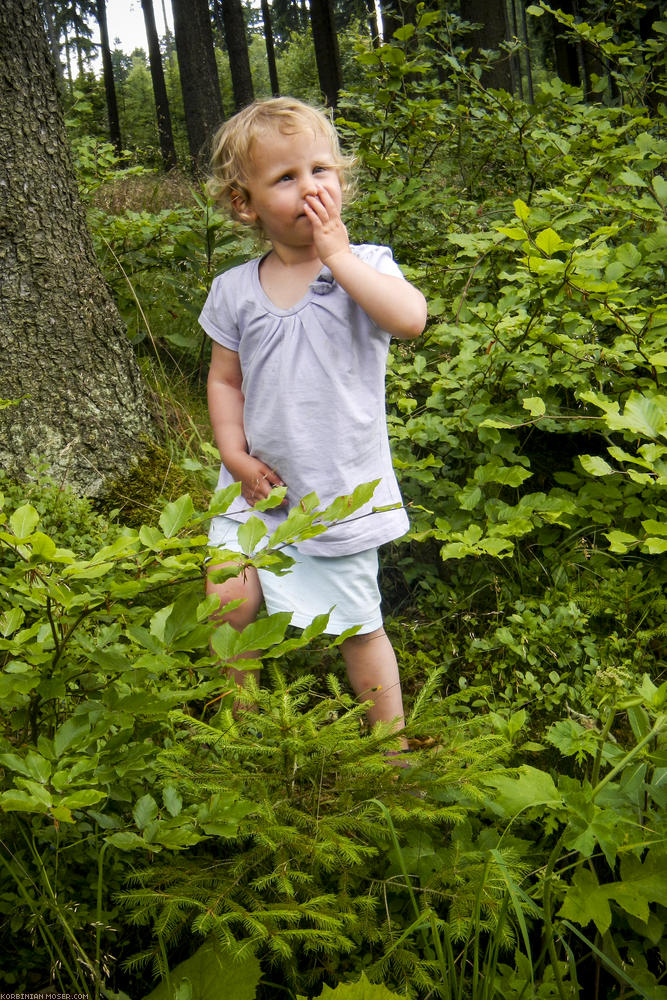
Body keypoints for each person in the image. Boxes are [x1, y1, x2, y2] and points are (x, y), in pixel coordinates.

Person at [200, 97, 427, 743]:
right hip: (254, 482)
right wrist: (234, 456)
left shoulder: (367, 266)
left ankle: (392, 747)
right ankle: (238, 728)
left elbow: (409, 319)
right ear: (246, 204)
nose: (310, 189)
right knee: (227, 598)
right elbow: (224, 379)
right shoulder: (235, 289)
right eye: (285, 177)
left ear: (342, 180)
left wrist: (340, 256)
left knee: (357, 625)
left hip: (334, 484)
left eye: (320, 170)